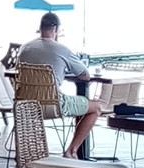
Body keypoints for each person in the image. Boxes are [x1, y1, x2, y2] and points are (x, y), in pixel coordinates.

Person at [16, 11, 101, 157]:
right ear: (56, 30)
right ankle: (71, 151)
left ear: (40, 28)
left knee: (81, 105)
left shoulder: (25, 48)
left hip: (26, 106)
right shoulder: (61, 49)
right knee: (96, 107)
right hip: (53, 105)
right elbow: (85, 75)